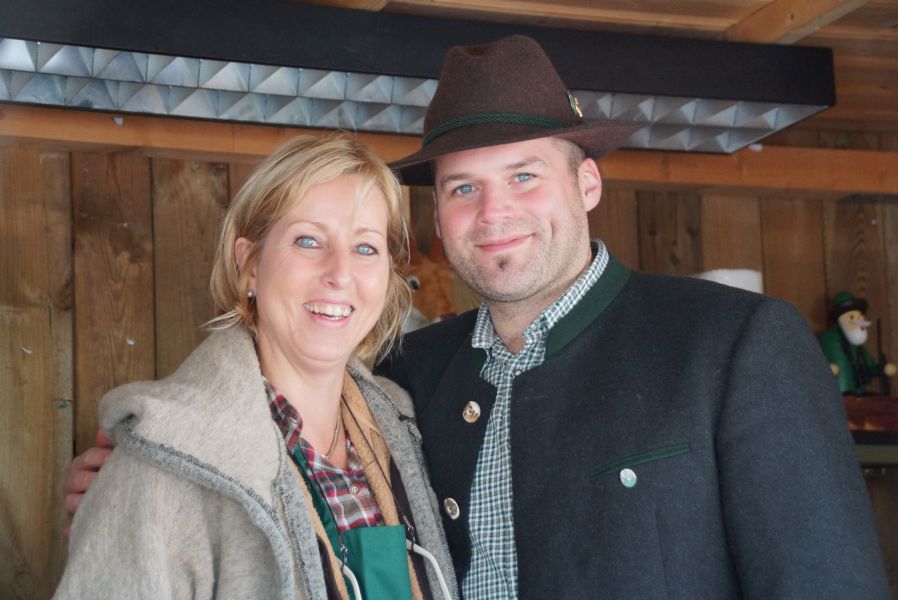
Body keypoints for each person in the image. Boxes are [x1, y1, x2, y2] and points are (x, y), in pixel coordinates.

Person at [66, 36, 890, 599]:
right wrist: (149, 481)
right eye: (464, 187)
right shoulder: (405, 382)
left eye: (525, 175)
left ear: (587, 184)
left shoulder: (734, 344)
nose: (495, 213)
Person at [55, 134, 456, 599]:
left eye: (365, 248)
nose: (340, 273)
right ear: (248, 264)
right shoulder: (160, 463)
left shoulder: (406, 428)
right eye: (308, 240)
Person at [819, 291, 897, 395]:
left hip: (859, 393)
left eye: (860, 316)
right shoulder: (829, 338)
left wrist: (882, 369)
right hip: (838, 393)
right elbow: (817, 361)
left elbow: (869, 367)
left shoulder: (858, 346)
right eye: (852, 317)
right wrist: (827, 368)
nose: (860, 320)